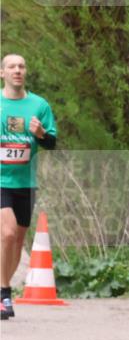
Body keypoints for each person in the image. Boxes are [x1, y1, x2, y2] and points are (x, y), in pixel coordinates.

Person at [0, 54, 58, 321]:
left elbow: (51, 143)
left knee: (17, 241)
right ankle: (3, 294)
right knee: (8, 233)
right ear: (2, 73)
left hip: (26, 182)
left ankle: (4, 288)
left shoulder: (39, 105)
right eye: (12, 66)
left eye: (21, 66)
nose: (17, 70)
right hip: (2, 181)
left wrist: (40, 135)